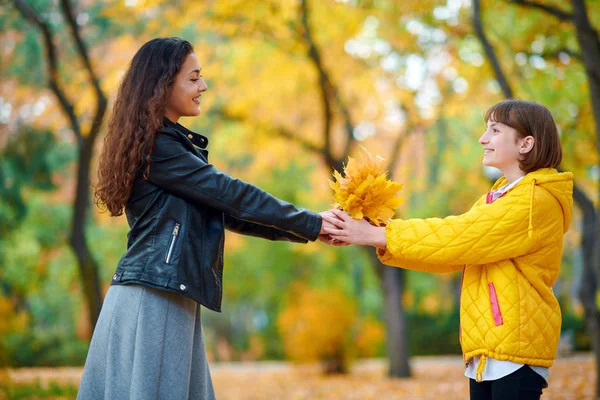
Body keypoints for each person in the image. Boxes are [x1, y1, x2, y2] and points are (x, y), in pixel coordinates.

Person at [79, 37, 336, 400]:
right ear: (162, 84)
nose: (204, 86)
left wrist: (313, 229)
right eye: (194, 78)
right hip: (154, 299)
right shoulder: (159, 148)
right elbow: (232, 193)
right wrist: (313, 222)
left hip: (164, 295)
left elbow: (229, 209)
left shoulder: (168, 148)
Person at [322, 100, 573, 400]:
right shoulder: (497, 198)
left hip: (514, 349)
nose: (483, 139)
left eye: (494, 130)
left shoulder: (534, 201)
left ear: (526, 143)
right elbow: (451, 252)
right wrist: (374, 235)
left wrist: (379, 234)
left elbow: (457, 236)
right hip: (490, 349)